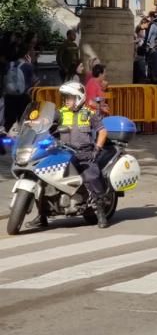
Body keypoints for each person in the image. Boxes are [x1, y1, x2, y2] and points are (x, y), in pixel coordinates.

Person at [54, 82, 110, 228]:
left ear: (78, 98)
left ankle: (100, 213)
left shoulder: (89, 114)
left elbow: (102, 131)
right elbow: (47, 126)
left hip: (84, 154)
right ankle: (41, 215)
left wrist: (97, 149)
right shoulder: (60, 113)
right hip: (64, 153)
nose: (67, 101)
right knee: (44, 177)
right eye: (65, 98)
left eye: (70, 98)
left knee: (92, 176)